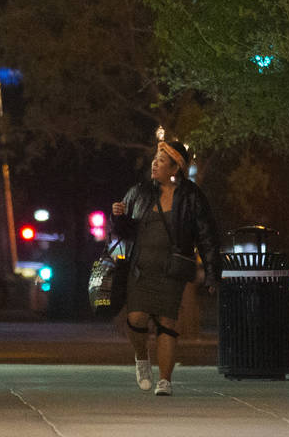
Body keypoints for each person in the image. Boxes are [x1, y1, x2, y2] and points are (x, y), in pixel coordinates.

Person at [111, 138, 220, 397]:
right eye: (154, 161)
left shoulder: (192, 196)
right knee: (135, 319)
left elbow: (206, 236)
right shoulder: (139, 192)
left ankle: (165, 380)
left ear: (175, 169)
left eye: (161, 162)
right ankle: (141, 357)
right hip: (140, 268)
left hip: (172, 270)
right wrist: (118, 216)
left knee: (167, 322)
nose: (154, 165)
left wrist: (213, 274)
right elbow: (123, 232)